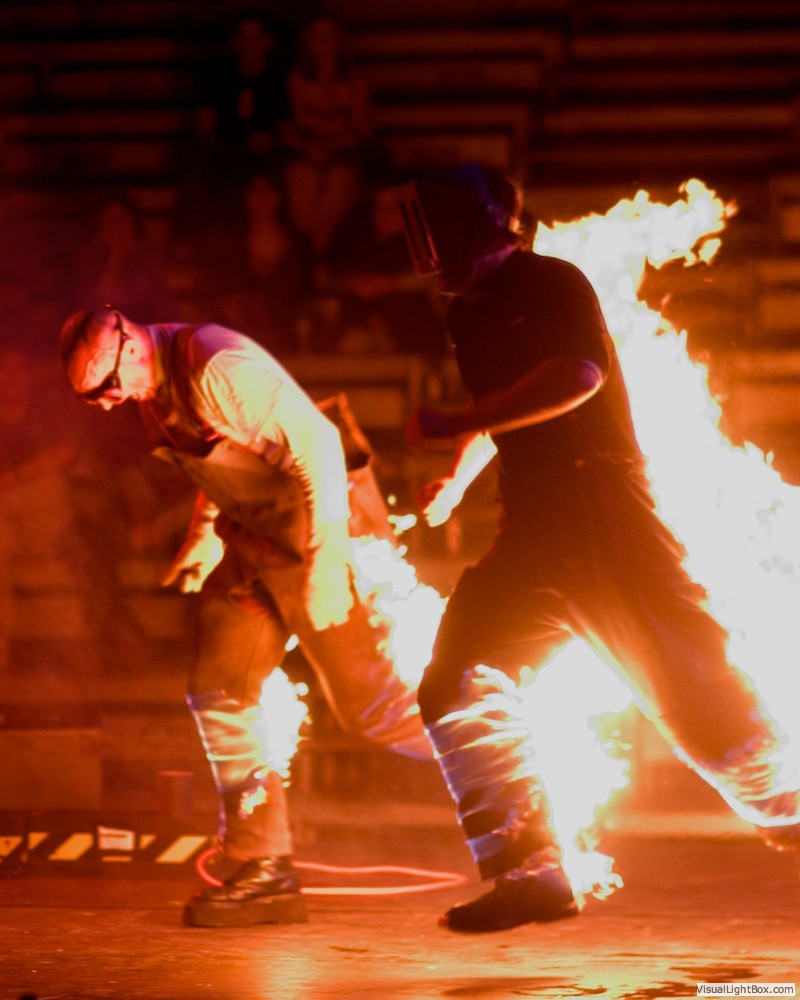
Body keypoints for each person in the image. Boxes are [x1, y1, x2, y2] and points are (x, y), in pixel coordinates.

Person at [393, 164, 800, 932]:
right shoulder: (466, 314)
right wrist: (454, 477)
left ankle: (793, 809)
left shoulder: (553, 281)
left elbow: (575, 377)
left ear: (481, 223)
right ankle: (531, 870)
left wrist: (457, 421)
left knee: (703, 707)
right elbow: (497, 413)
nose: (427, 251)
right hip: (533, 527)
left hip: (606, 517)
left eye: (438, 230)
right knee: (456, 680)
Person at [59, 308, 430, 927]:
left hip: (321, 531)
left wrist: (328, 564)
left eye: (105, 387)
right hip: (256, 541)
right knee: (219, 689)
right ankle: (265, 865)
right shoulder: (154, 396)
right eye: (90, 398)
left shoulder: (216, 365)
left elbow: (318, 443)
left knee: (377, 708)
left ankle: (518, 779)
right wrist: (205, 534)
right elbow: (222, 459)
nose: (104, 404)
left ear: (128, 344)